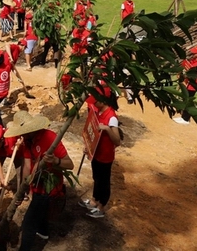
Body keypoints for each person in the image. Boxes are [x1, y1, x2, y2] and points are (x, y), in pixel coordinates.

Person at [6, 115, 74, 250]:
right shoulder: (27, 141)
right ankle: (43, 233)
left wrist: (55, 161)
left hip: (49, 188)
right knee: (40, 212)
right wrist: (22, 190)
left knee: (28, 224)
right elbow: (26, 166)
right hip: (36, 187)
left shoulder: (50, 138)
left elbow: (70, 164)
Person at [80, 87, 121, 218]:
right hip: (96, 153)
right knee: (96, 178)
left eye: (96, 101)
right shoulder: (97, 111)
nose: (93, 103)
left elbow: (117, 141)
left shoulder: (111, 117)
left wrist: (107, 129)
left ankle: (101, 207)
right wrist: (88, 145)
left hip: (105, 156)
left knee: (103, 182)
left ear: (103, 100)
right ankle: (94, 200)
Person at [0, 121, 26, 207]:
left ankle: (20, 194)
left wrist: (20, 143)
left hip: (17, 152)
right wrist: (2, 179)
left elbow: (23, 136)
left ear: (2, 139)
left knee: (20, 173)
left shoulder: (12, 135)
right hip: (1, 153)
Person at [174, 44, 197, 125]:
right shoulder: (193, 61)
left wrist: (185, 77)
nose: (192, 54)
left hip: (191, 86)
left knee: (188, 101)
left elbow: (195, 76)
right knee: (186, 100)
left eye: (195, 53)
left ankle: (186, 119)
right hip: (187, 83)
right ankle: (184, 116)